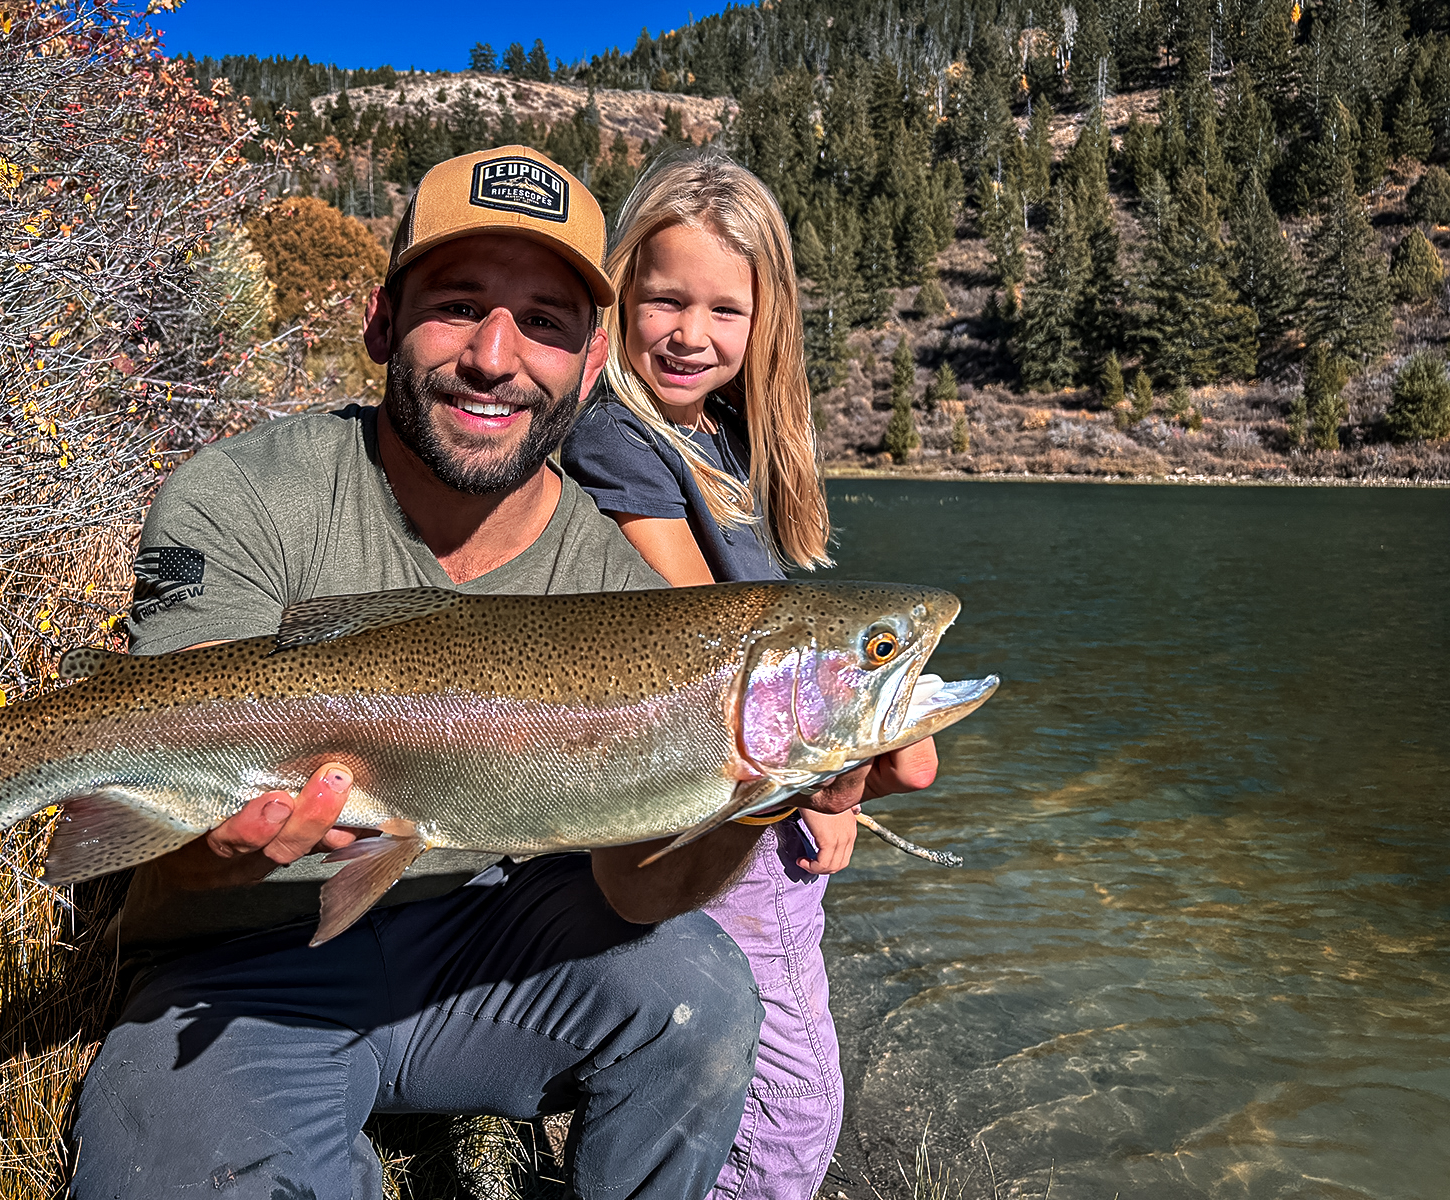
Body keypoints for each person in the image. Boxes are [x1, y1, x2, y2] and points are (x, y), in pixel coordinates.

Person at [70, 145, 938, 1199]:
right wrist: (215, 840)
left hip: (482, 948)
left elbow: (635, 887)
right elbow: (163, 828)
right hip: (235, 975)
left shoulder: (614, 580)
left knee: (701, 989)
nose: (495, 355)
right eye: (458, 304)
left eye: (544, 322)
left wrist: (757, 798)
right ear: (383, 321)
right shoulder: (244, 496)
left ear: (591, 356)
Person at [560, 151, 853, 1200]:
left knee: (775, 1087)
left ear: (766, 321)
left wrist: (842, 780)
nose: (693, 335)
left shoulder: (720, 439)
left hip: (766, 817)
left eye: (726, 310)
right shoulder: (617, 441)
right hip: (712, 819)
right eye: (666, 299)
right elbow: (707, 640)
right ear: (620, 291)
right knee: (788, 1119)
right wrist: (857, 753)